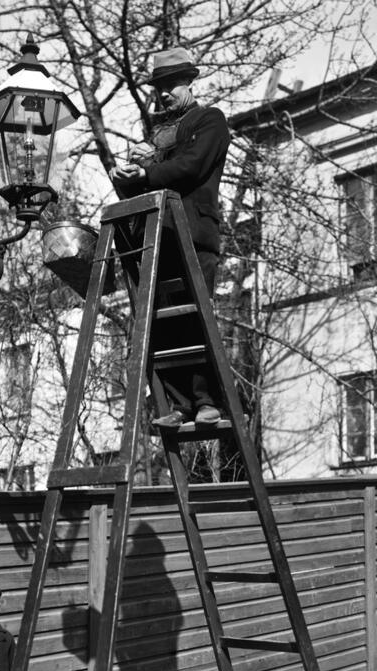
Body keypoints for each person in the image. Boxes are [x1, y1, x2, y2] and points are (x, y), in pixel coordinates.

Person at [110, 46, 230, 428]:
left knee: (196, 319)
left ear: (189, 82)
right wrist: (127, 178)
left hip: (193, 235)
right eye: (159, 86)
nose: (164, 93)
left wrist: (147, 170)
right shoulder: (159, 138)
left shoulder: (209, 121)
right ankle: (179, 406)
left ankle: (207, 401)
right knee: (165, 325)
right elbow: (148, 186)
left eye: (172, 84)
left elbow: (190, 168)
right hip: (159, 239)